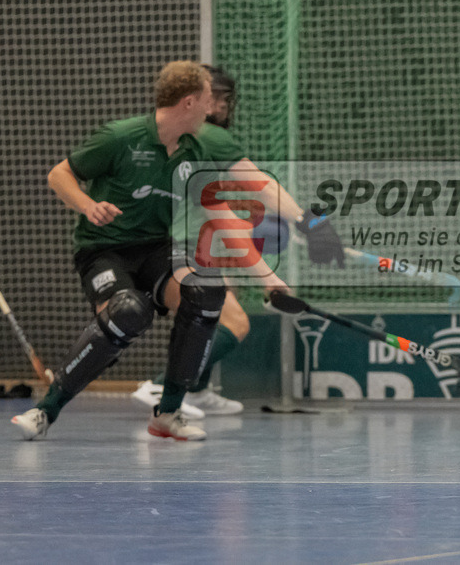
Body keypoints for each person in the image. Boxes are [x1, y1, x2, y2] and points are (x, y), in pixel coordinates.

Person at [10, 61, 292, 442]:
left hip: (158, 250)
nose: (213, 109)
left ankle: (168, 414)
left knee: (207, 290)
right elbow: (59, 174)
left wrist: (271, 280)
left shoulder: (196, 151)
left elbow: (220, 216)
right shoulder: (119, 137)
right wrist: (86, 205)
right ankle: (46, 411)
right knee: (127, 313)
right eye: (209, 99)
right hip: (104, 251)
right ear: (189, 102)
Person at [128, 65, 346, 417]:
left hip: (179, 239)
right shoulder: (208, 136)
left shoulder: (177, 134)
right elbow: (259, 183)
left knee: (216, 307)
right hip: (182, 244)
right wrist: (312, 223)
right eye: (224, 99)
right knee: (234, 322)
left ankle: (195, 391)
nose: (228, 107)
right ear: (206, 100)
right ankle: (162, 385)